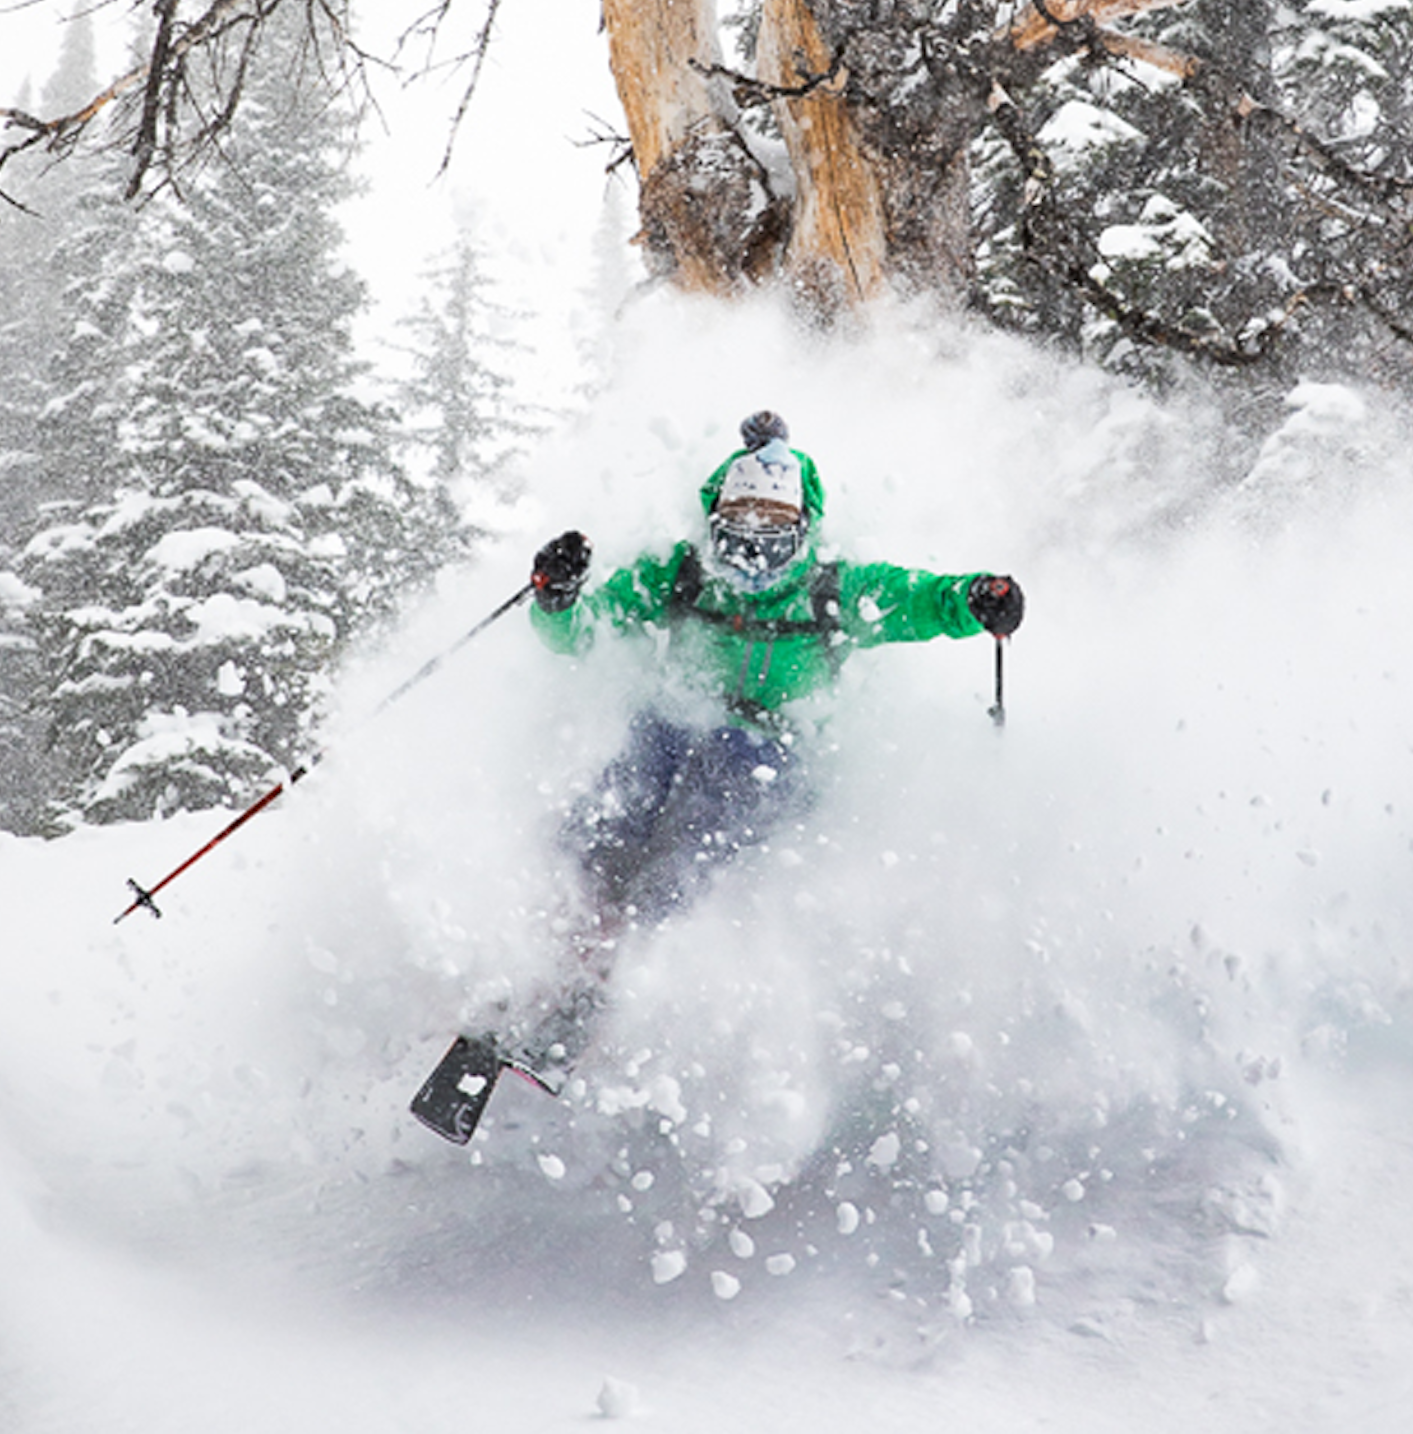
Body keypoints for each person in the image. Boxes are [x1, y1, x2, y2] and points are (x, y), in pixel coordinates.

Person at [412, 409, 1023, 1137]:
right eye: (737, 532)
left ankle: (607, 980)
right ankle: (540, 956)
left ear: (803, 529)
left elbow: (920, 600)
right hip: (675, 724)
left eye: (773, 534)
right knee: (608, 813)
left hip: (772, 753)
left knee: (703, 818)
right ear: (714, 521)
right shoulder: (681, 575)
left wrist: (979, 599)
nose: (753, 553)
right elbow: (580, 634)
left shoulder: (831, 591)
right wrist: (557, 597)